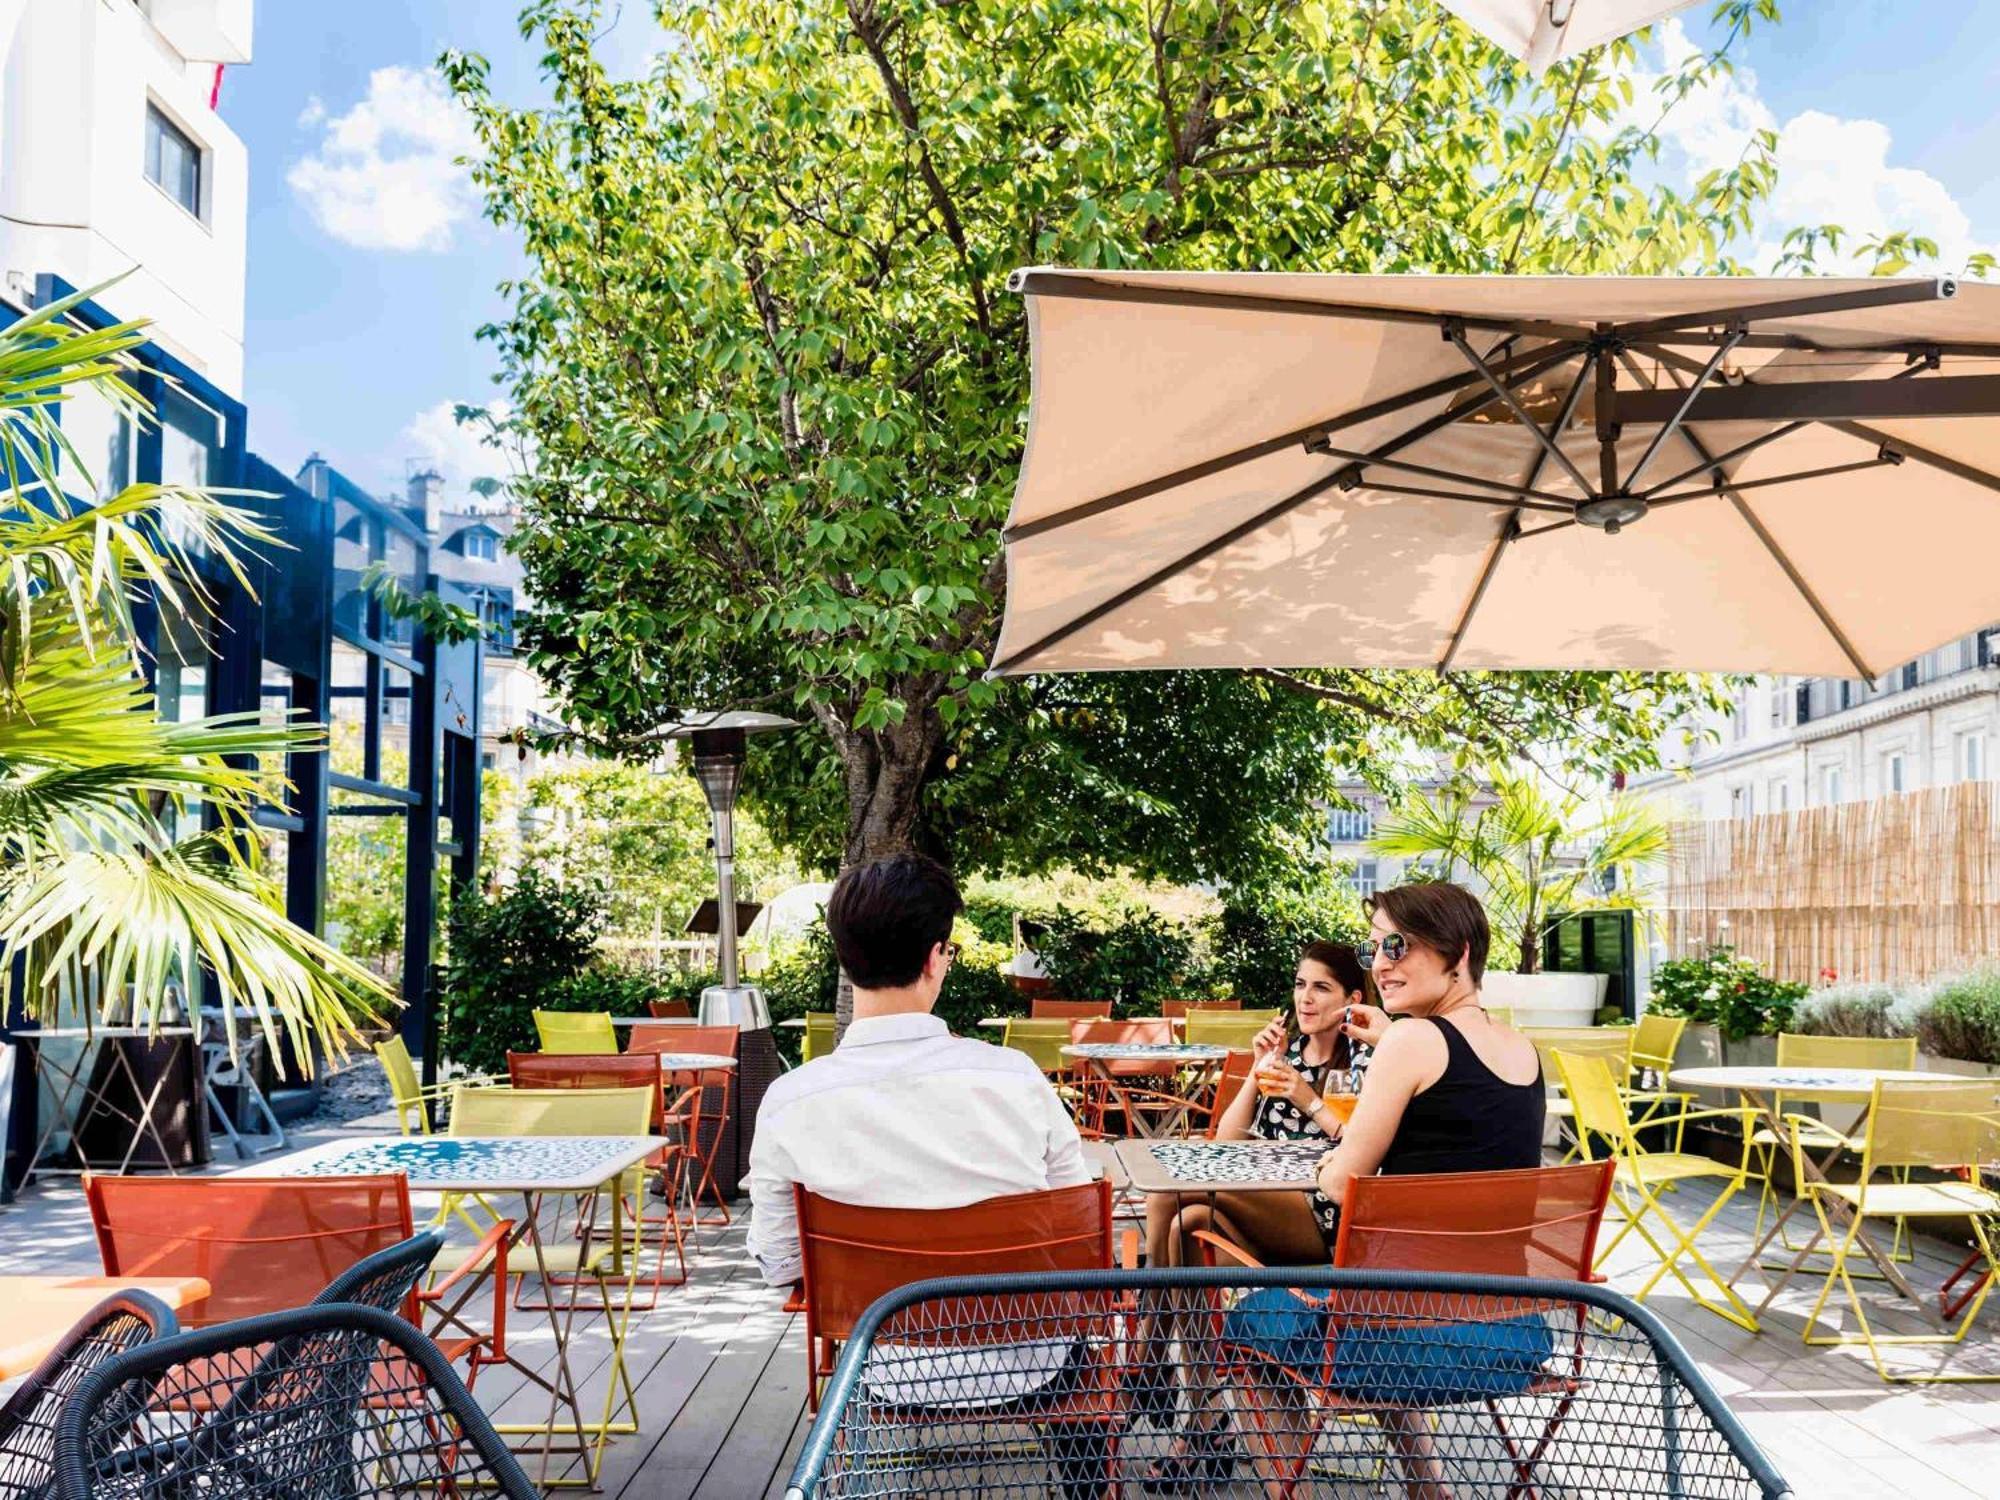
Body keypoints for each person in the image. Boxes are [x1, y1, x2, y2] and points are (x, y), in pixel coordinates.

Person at [745, 853, 1107, 1496]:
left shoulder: (790, 1100)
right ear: (938, 955)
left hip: (882, 1365)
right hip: (1033, 1360)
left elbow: (782, 1265)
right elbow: (1073, 1227)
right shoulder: (1012, 1078)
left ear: (844, 957)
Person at [1216, 881, 1549, 1499]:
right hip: (1517, 1333)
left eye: (1399, 944)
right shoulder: (1523, 1048)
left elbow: (1343, 1182)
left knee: (1246, 1326)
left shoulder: (1412, 1040)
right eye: (1374, 948)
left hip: (1402, 1336)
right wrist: (1388, 1037)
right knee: (1375, 1294)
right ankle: (1428, 1490)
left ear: (1460, 952)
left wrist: (1326, 1159)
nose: (1382, 963)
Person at [1144, 941, 1370, 1273]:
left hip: (1326, 1208)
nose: (1305, 998)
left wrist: (1309, 1100)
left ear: (1352, 1001)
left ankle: (1147, 1321)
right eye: (1300, 984)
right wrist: (1258, 1066)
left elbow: (1362, 1146)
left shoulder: (1365, 1061)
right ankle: (1184, 1326)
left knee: (1167, 1191)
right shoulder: (1288, 1055)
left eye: (1321, 987)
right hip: (1267, 1199)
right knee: (1187, 1224)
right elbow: (1227, 1145)